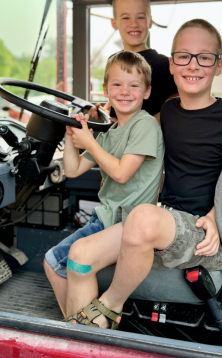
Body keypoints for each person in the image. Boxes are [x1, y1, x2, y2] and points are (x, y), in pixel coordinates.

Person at [62, 19, 222, 329]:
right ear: (172, 65)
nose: (193, 65)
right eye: (183, 56)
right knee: (80, 253)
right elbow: (130, 131)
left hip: (204, 233)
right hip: (164, 220)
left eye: (204, 57)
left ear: (218, 65)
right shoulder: (168, 113)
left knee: (141, 216)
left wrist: (218, 217)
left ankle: (111, 304)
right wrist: (89, 128)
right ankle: (85, 340)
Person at [43, 51, 164, 317]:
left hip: (128, 223)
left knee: (74, 260)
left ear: (146, 92)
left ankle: (85, 332)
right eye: (117, 85)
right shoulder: (110, 131)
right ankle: (75, 326)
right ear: (106, 90)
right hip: (104, 218)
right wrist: (73, 133)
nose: (125, 91)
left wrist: (90, 143)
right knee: (52, 262)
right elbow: (73, 170)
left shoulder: (144, 125)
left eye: (134, 85)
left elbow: (122, 173)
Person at [95, 0, 178, 124]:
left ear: (150, 22)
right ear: (114, 23)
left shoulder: (164, 64)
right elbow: (115, 99)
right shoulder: (113, 61)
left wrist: (138, 130)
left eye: (140, 17)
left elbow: (174, 107)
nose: (134, 24)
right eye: (126, 18)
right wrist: (104, 111)